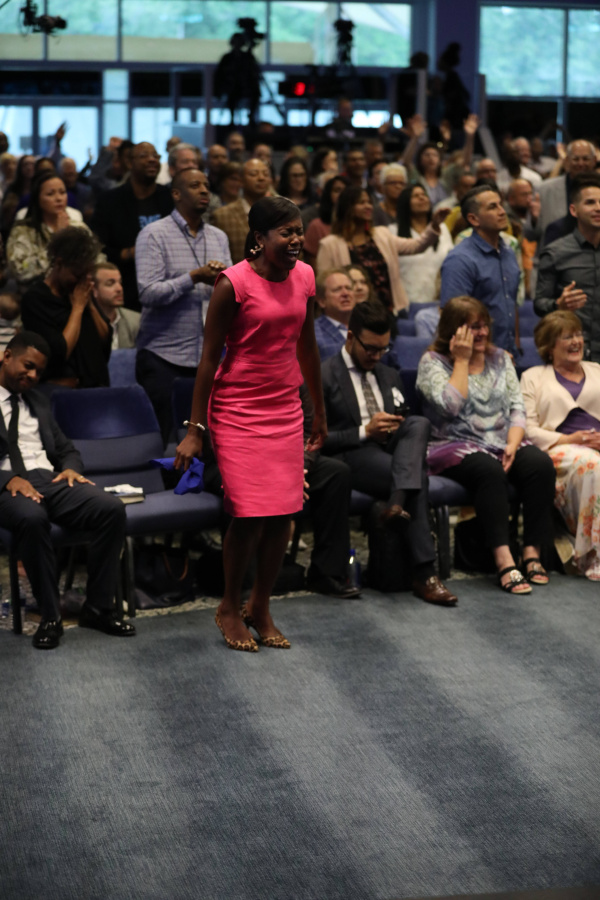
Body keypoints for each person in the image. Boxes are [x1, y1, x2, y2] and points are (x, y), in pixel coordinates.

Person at [175, 197, 326, 652]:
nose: (296, 239)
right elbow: (207, 361)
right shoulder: (233, 283)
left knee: (283, 512)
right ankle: (228, 605)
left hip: (284, 407)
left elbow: (308, 347)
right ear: (259, 238)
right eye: (286, 232)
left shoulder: (305, 276)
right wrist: (195, 429)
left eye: (298, 230)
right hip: (237, 409)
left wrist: (318, 410)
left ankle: (260, 605)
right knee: (247, 511)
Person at [0, 331, 133, 649]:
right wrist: (7, 479)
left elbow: (66, 449)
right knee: (32, 518)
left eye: (39, 371)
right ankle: (50, 617)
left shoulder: (38, 402)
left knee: (111, 509)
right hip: (6, 485)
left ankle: (97, 608)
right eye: (28, 366)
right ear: (6, 356)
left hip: (50, 479)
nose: (33, 376)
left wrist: (72, 468)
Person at [321, 300, 458, 606]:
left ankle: (396, 504)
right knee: (416, 478)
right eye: (370, 349)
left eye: (383, 349)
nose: (377, 356)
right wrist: (365, 431)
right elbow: (316, 439)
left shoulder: (388, 373)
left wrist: (394, 427)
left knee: (418, 423)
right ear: (350, 337)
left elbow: (403, 416)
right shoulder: (324, 375)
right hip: (352, 452)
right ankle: (425, 574)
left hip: (391, 451)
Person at [417, 295, 556, 593]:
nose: (481, 333)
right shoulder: (432, 362)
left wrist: (512, 443)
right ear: (452, 330)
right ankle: (504, 561)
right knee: (489, 470)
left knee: (540, 464)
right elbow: (450, 406)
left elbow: (517, 408)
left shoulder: (501, 358)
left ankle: (532, 553)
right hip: (453, 445)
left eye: (483, 326)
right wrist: (462, 360)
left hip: (501, 441)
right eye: (471, 327)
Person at [135, 168, 230, 441]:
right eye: (195, 185)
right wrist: (194, 277)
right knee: (168, 442)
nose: (204, 190)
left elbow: (234, 293)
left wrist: (222, 282)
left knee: (211, 440)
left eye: (206, 185)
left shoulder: (218, 237)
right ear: (176, 194)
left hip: (209, 357)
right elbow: (148, 293)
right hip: (165, 358)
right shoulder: (154, 234)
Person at [521, 311, 600, 580]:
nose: (576, 341)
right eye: (567, 337)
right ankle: (593, 554)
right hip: (558, 449)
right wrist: (571, 439)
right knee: (593, 465)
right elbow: (527, 428)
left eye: (578, 334)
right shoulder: (533, 376)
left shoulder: (597, 370)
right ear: (549, 346)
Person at [316, 185, 447, 316]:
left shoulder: (382, 235)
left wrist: (434, 225)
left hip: (388, 313)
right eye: (361, 203)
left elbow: (416, 246)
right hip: (352, 317)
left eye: (369, 202)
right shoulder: (329, 245)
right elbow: (324, 285)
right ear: (347, 208)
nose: (368, 206)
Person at [21, 227, 111, 388]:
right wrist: (77, 308)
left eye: (87, 274)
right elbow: (59, 353)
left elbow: (105, 340)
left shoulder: (81, 292)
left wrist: (89, 305)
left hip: (97, 386)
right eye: (77, 275)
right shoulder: (35, 299)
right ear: (59, 263)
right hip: (61, 390)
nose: (82, 281)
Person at [91, 141, 174, 310]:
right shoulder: (110, 201)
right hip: (127, 286)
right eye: (144, 156)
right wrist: (130, 253)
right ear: (129, 163)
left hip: (168, 286)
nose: (152, 160)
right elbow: (99, 248)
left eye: (156, 156)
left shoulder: (170, 198)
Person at [440, 186, 520, 354]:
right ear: (474, 219)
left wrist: (516, 347)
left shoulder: (508, 252)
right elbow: (453, 319)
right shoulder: (460, 259)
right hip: (475, 356)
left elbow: (511, 303)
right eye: (492, 207)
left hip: (509, 354)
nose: (502, 212)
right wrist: (493, 353)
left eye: (501, 204)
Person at [535, 174, 600, 362]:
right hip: (574, 351)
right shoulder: (555, 253)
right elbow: (539, 303)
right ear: (574, 210)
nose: (598, 208)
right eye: (590, 202)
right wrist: (559, 305)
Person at [6, 172, 99, 290]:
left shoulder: (78, 227)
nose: (59, 198)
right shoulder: (23, 230)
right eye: (50, 194)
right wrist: (58, 237)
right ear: (37, 198)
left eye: (62, 192)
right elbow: (20, 271)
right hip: (35, 292)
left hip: (76, 290)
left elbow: (97, 260)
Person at [396, 184, 454, 306]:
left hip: (439, 301)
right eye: (415, 196)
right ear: (405, 202)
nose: (422, 198)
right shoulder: (392, 232)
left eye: (424, 194)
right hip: (408, 302)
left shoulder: (442, 228)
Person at [210, 158, 271, 264]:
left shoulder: (280, 213)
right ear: (241, 181)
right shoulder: (222, 216)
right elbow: (217, 258)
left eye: (265, 174)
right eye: (253, 174)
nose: (261, 178)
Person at [302, 175, 348, 268]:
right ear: (328, 194)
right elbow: (314, 267)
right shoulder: (316, 226)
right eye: (337, 191)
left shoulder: (357, 224)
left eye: (345, 191)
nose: (342, 195)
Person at [91, 263, 140, 349]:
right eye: (110, 283)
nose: (119, 288)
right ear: (94, 289)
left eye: (120, 282)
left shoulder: (137, 321)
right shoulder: (83, 323)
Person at [314, 268, 356, 361]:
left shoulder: (366, 325)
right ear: (321, 301)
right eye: (337, 290)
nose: (345, 293)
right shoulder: (313, 333)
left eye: (348, 288)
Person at [372, 164, 407, 228]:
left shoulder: (409, 210)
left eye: (401, 183)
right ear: (383, 187)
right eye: (393, 183)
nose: (398, 186)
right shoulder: (375, 212)